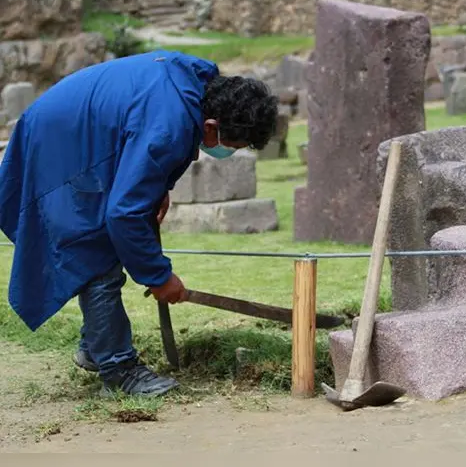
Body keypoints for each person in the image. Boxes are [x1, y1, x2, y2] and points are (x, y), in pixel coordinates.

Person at [0, 50, 279, 397]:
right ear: (211, 126)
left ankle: (96, 349)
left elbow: (137, 147)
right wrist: (159, 276)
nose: (229, 152)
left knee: (104, 247)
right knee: (95, 254)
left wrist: (156, 186)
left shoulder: (196, 85)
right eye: (231, 145)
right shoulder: (170, 124)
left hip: (72, 129)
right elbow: (124, 214)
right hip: (61, 147)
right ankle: (118, 370)